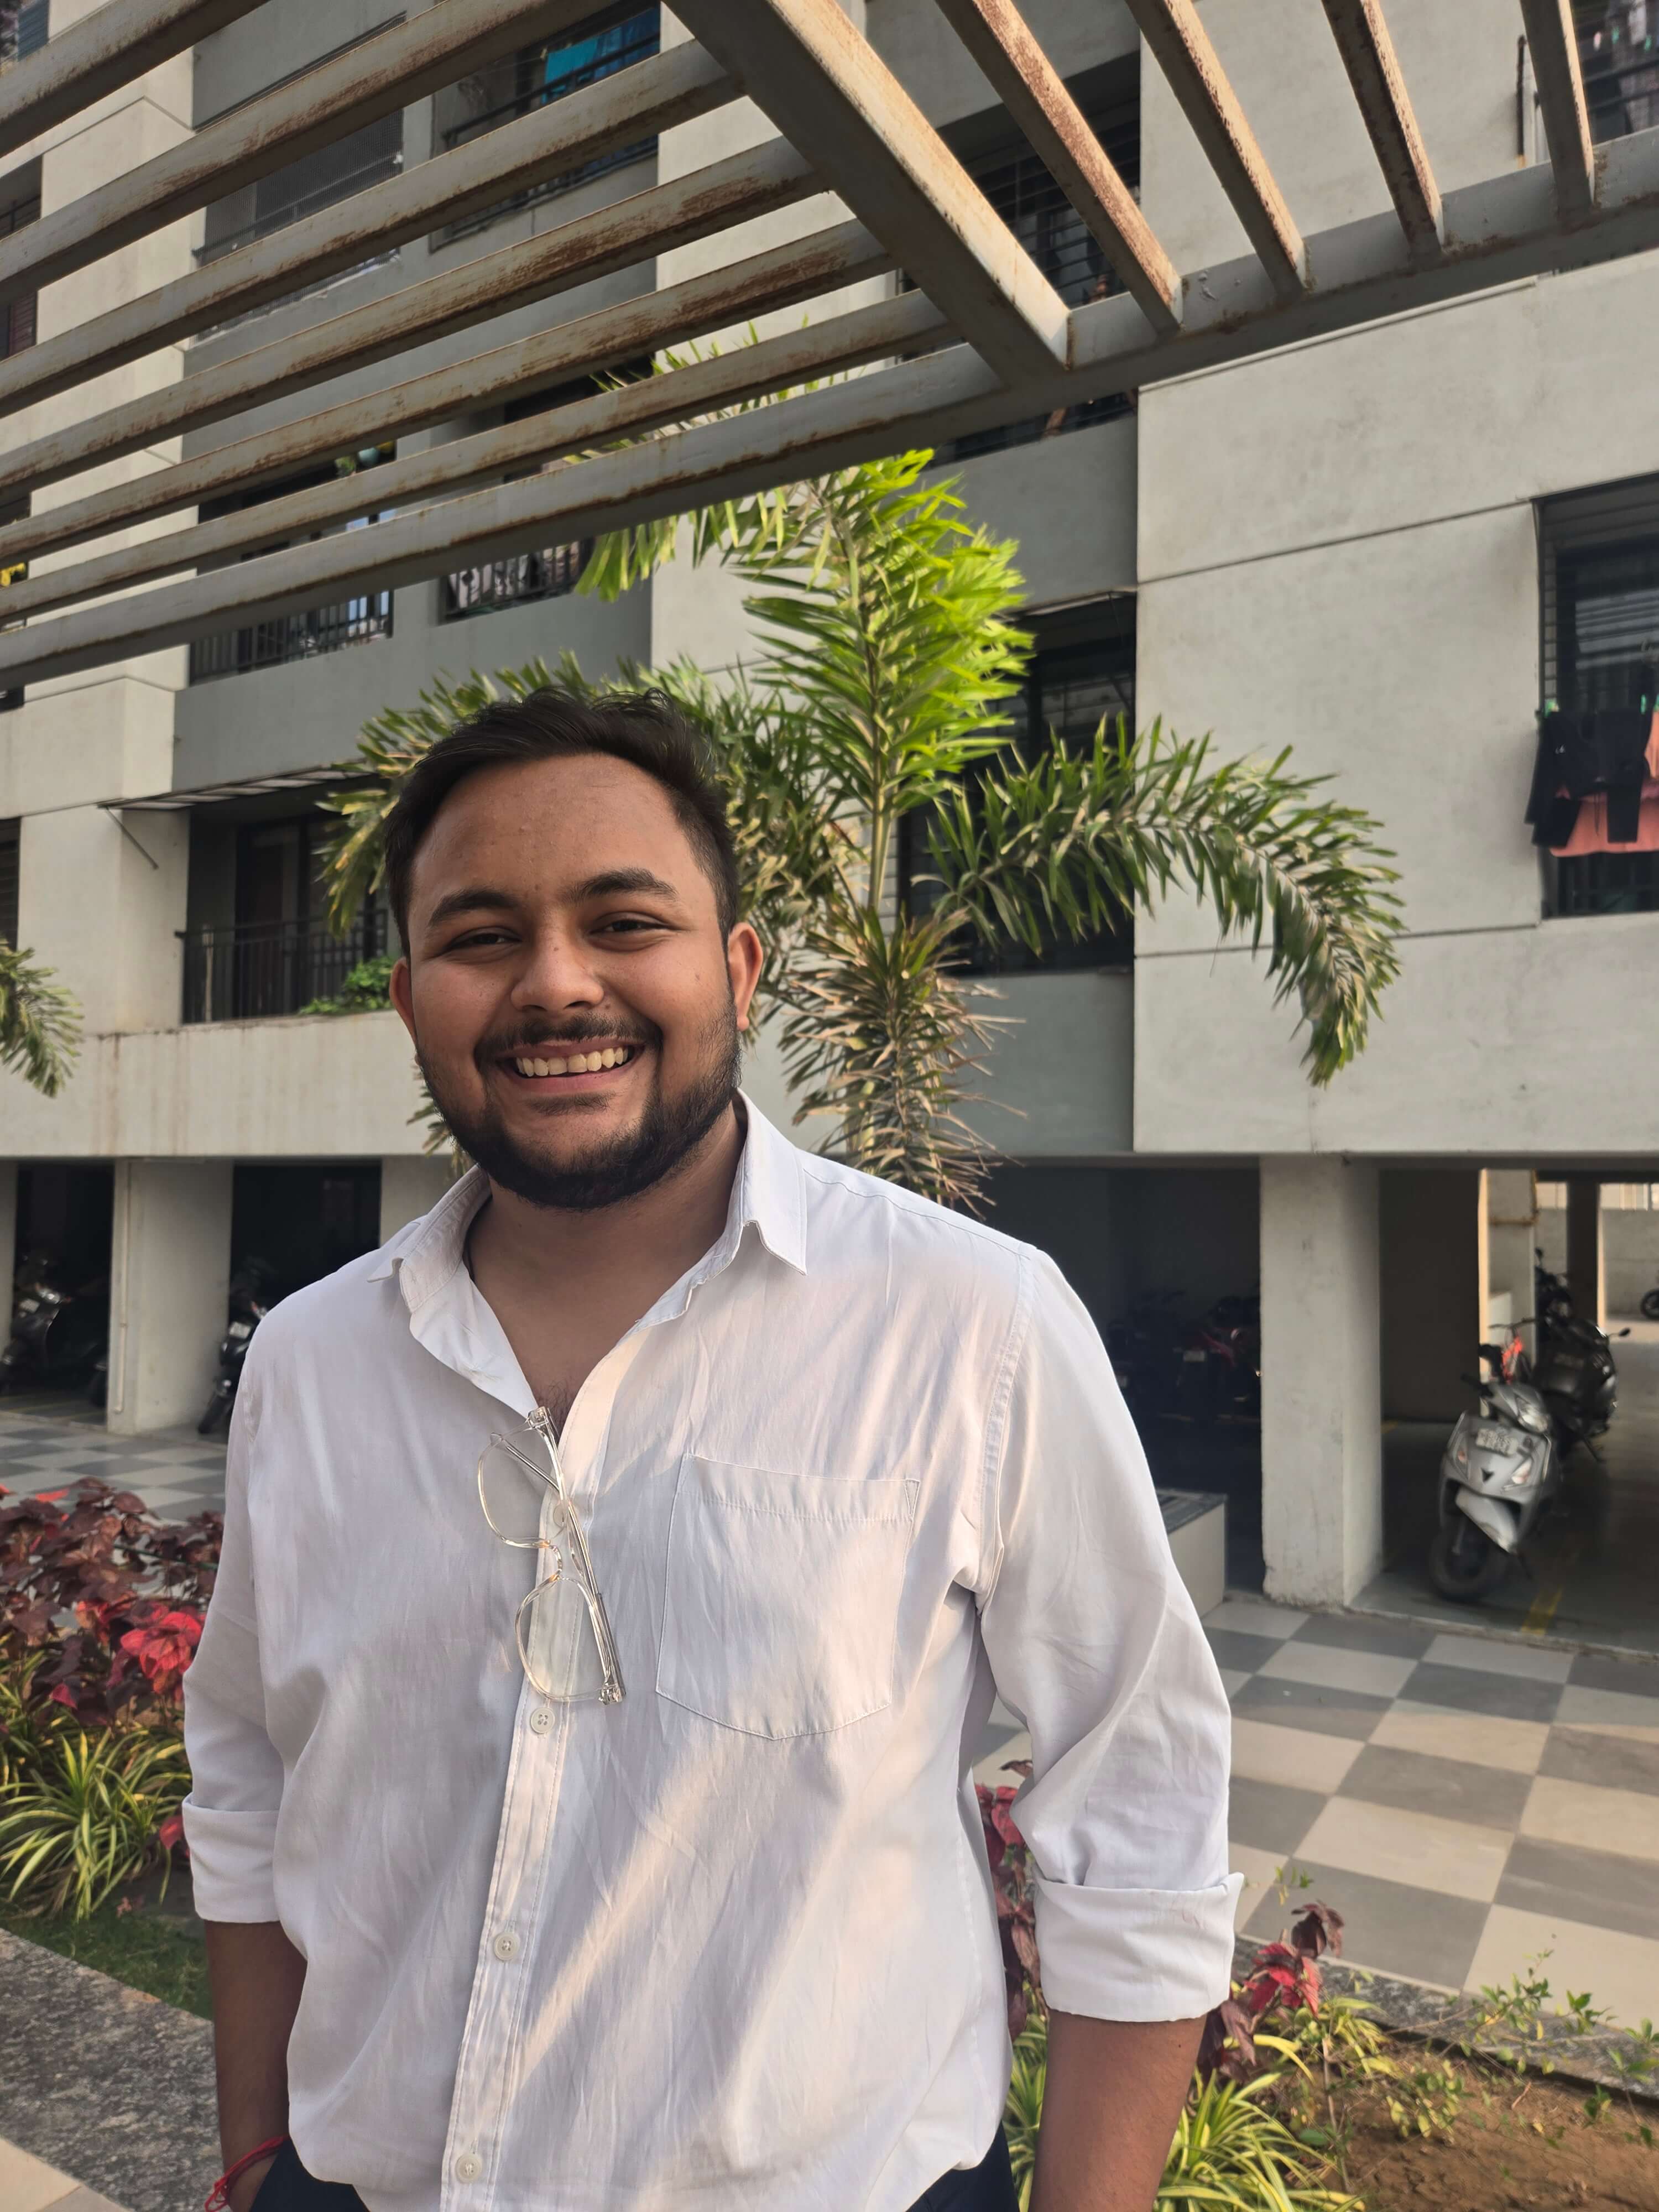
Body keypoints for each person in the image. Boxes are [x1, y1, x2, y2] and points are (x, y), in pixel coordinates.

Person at [184, 689, 1239, 2212]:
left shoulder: (972, 1326)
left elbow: (1141, 1809)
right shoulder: (309, 1362)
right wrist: (252, 2161)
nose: (557, 984)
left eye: (625, 922)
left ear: (736, 969)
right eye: (483, 937)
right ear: (411, 1001)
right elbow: (249, 1784)